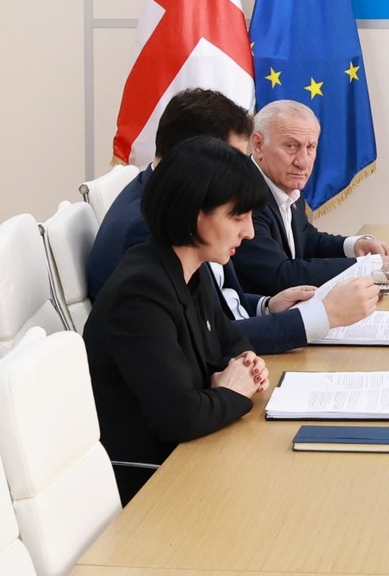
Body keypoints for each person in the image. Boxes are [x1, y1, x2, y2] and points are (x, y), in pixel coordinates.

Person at [87, 89, 378, 354]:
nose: (243, 175)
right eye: (233, 162)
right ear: (193, 157)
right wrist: (323, 316)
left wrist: (266, 306)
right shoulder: (149, 227)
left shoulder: (174, 200)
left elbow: (215, 305)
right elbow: (202, 340)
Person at [84, 136, 272, 504]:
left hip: (191, 459)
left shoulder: (188, 268)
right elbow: (181, 418)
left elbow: (230, 341)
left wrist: (241, 366)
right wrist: (233, 391)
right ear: (194, 214)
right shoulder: (141, 293)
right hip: (152, 484)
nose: (249, 231)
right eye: (237, 217)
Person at [231, 99, 389, 293]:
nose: (303, 162)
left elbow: (308, 240)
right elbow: (282, 275)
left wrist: (355, 246)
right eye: (291, 146)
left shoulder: (284, 184)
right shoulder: (243, 194)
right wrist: (374, 269)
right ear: (258, 144)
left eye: (310, 147)